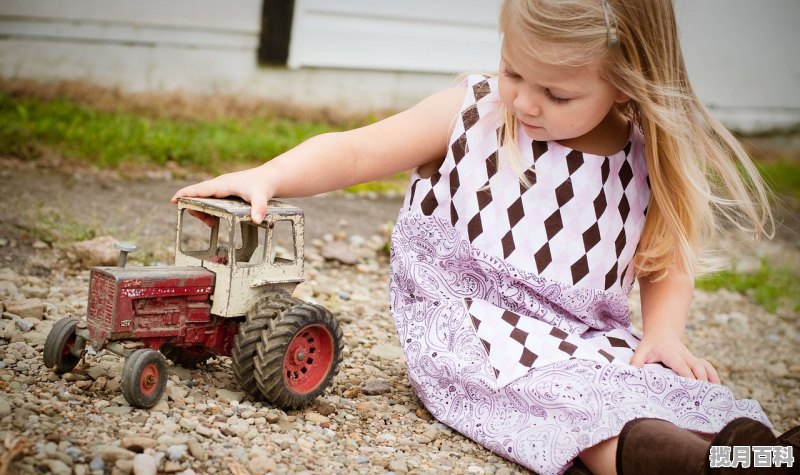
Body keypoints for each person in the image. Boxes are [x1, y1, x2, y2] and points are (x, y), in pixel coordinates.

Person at [173, 1, 799, 473]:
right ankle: (671, 464)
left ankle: (754, 455)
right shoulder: (474, 114)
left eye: (557, 92)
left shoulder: (641, 156)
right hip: (479, 330)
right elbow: (358, 150)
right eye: (513, 71)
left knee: (656, 383)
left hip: (584, 335)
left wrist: (664, 334)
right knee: (568, 408)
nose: (525, 101)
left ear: (628, 83)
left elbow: (664, 258)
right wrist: (269, 174)